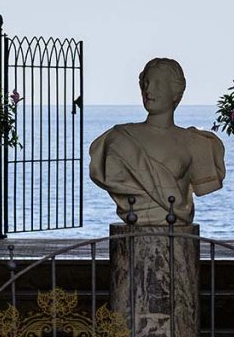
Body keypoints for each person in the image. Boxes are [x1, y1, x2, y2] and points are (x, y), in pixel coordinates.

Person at [89, 57, 225, 224]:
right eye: (146, 83)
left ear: (176, 92)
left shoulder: (196, 143)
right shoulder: (118, 138)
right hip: (137, 218)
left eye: (158, 84)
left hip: (175, 223)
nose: (149, 90)